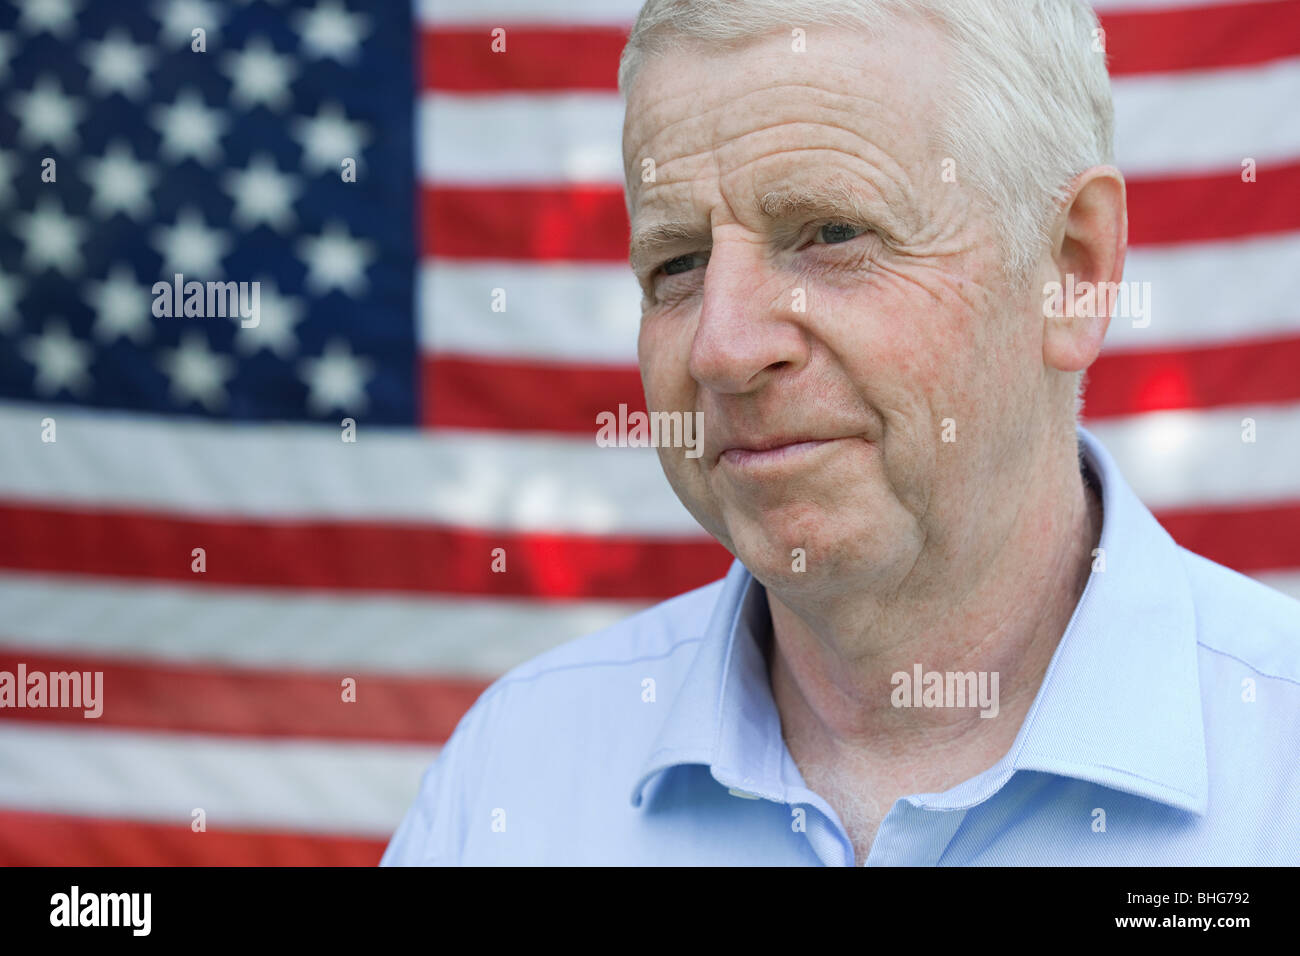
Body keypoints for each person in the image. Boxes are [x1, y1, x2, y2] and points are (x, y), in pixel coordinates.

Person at [383, 0, 1300, 865]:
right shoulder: (514, 776)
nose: (723, 345)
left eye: (829, 231)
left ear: (1071, 271)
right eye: (678, 261)